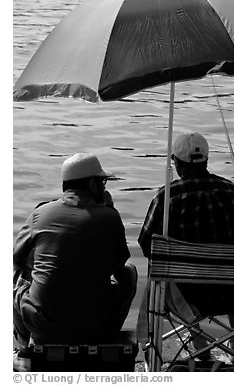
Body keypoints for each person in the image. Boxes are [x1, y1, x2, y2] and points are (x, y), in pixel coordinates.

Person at [138, 132, 234, 362]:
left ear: (176, 162)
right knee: (232, 263)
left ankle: (199, 343)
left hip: (188, 296)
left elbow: (147, 245)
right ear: (206, 160)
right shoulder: (233, 192)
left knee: (170, 272)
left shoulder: (166, 197)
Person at [13, 153, 137, 371]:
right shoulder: (110, 216)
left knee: (17, 273)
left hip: (43, 326)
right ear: (91, 184)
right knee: (130, 271)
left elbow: (15, 259)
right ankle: (107, 334)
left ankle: (24, 348)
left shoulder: (40, 214)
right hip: (97, 326)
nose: (104, 186)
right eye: (102, 182)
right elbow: (119, 269)